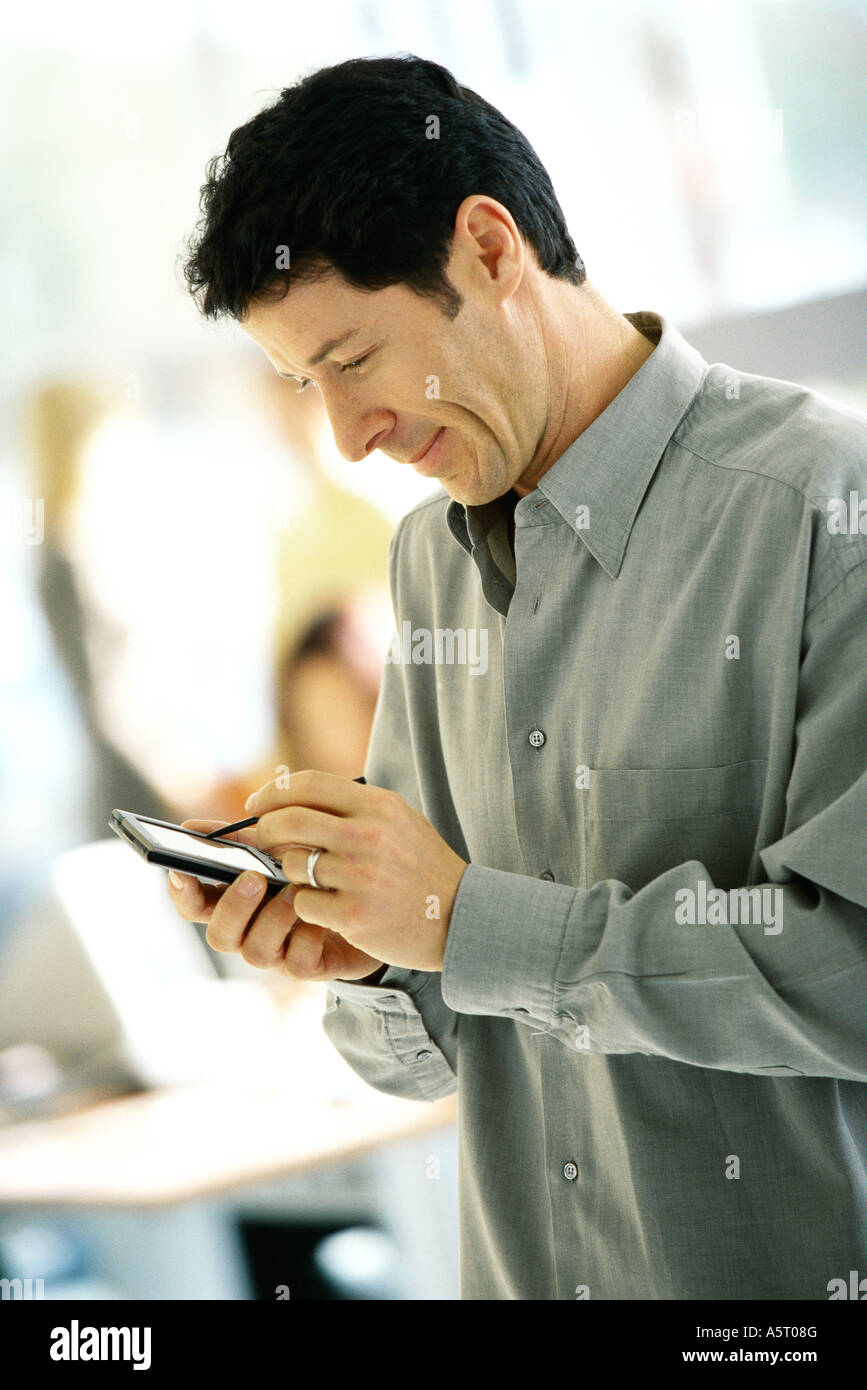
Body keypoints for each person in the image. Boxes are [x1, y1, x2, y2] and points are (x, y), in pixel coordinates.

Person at [171, 55, 867, 1300]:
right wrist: (372, 955)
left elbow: (852, 971)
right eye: (303, 385)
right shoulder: (429, 565)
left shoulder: (824, 508)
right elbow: (441, 1049)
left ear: (490, 249)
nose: (347, 434)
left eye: (353, 359)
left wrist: (463, 923)